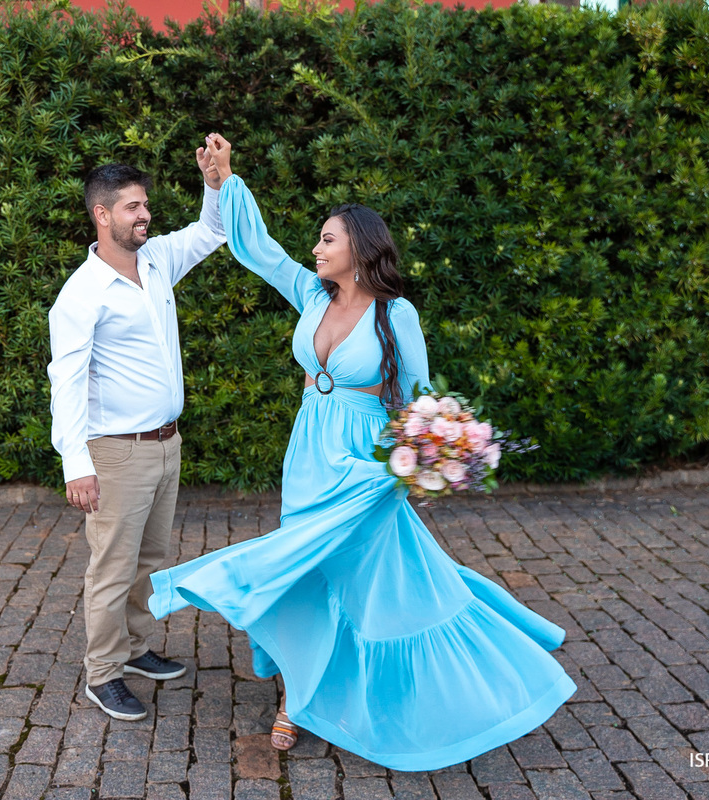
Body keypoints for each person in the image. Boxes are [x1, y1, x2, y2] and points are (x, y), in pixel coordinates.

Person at [148, 135, 576, 770]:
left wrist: (427, 461)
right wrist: (222, 184)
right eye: (318, 240)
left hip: (364, 460)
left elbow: (424, 397)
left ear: (359, 251)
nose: (315, 249)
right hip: (309, 451)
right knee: (306, 570)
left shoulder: (394, 314)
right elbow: (257, 249)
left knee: (366, 579)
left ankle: (385, 694)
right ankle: (299, 693)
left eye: (327, 240)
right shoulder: (312, 294)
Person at [47, 141, 229, 721]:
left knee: (149, 559)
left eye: (145, 204)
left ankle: (132, 649)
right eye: (131, 207)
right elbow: (67, 382)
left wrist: (215, 181)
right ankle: (101, 675)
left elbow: (211, 232)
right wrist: (76, 463)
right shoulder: (80, 295)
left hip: (165, 442)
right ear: (102, 215)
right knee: (112, 566)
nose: (144, 214)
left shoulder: (158, 261)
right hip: (116, 454)